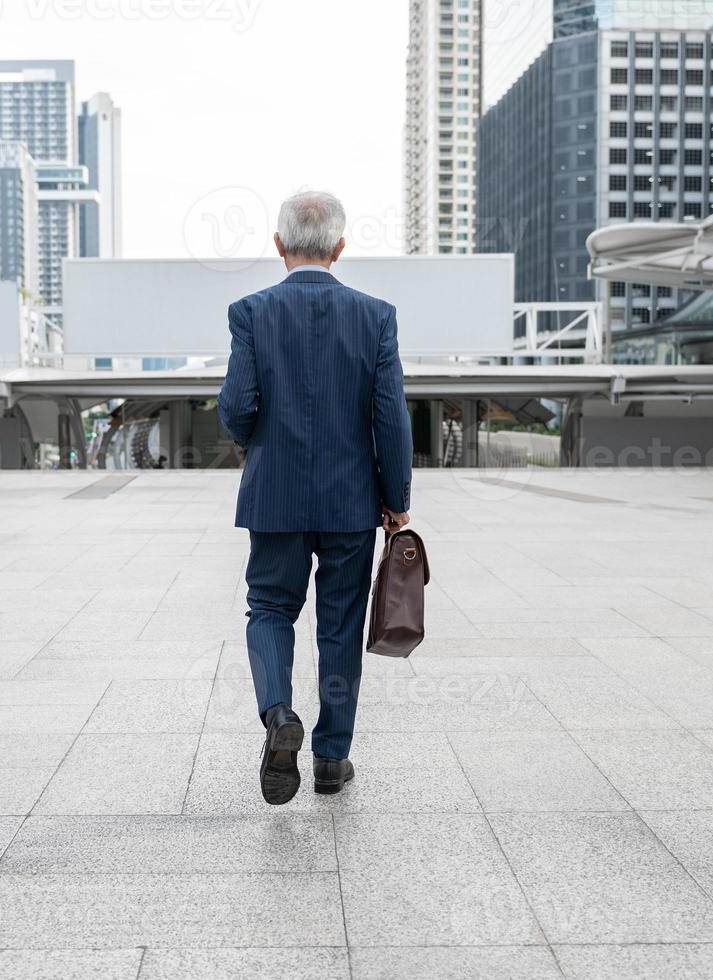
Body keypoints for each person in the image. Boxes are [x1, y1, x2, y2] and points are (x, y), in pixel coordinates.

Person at [217, 191, 412, 805]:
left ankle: (279, 718)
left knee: (270, 608)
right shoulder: (375, 316)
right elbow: (391, 418)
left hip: (274, 497)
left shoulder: (250, 312)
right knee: (340, 624)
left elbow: (233, 409)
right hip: (351, 500)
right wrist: (396, 497)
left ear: (279, 245)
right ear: (340, 247)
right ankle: (331, 758)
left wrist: (260, 443)